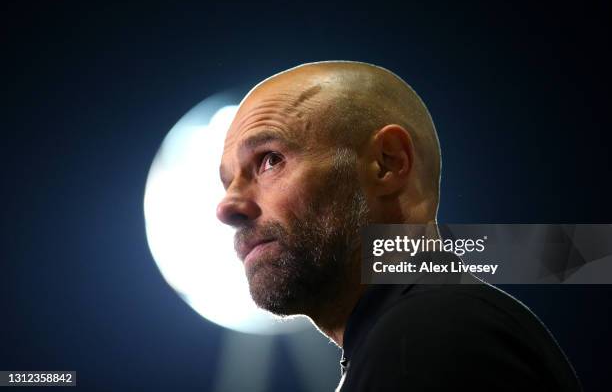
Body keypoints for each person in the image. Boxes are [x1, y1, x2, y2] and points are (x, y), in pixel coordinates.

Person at [216, 61, 582, 391]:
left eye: (269, 161)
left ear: (387, 164)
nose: (227, 207)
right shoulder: (413, 335)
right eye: (228, 182)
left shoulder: (431, 333)